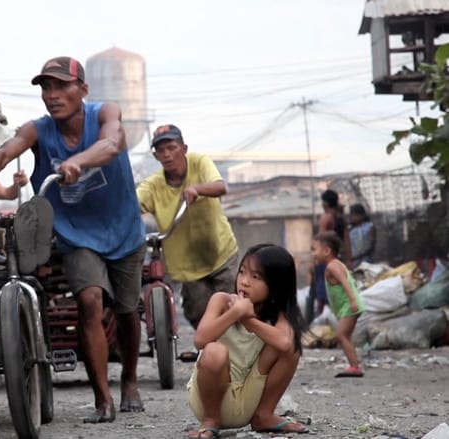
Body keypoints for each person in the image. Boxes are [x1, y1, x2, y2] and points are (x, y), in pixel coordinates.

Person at [0, 56, 146, 423]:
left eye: (62, 86)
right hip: (77, 234)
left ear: (83, 90)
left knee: (125, 310)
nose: (53, 95)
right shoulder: (39, 130)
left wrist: (80, 162)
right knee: (89, 302)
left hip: (122, 228)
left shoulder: (106, 112)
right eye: (46, 87)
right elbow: (7, 149)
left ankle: (131, 379)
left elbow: (111, 144)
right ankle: (102, 398)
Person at [137, 124, 238, 360]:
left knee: (234, 306)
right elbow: (133, 203)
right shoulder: (153, 185)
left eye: (172, 148)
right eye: (161, 151)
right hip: (188, 267)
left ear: (184, 148)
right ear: (155, 156)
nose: (167, 155)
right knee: (197, 312)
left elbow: (220, 186)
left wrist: (197, 189)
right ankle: (214, 354)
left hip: (221, 254)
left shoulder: (199, 162)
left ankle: (239, 353)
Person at [186, 244, 309, 438]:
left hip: (245, 401)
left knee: (291, 347)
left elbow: (285, 345)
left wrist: (248, 320)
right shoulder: (221, 301)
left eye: (256, 277)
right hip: (209, 399)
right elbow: (201, 340)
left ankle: (263, 415)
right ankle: (211, 420)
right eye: (242, 272)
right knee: (214, 351)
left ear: (276, 285)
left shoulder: (278, 316)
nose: (244, 281)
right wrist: (235, 313)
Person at [312, 231, 365, 378]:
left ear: (327, 251)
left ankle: (354, 366)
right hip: (348, 306)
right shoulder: (334, 265)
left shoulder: (332, 267)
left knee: (341, 335)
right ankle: (354, 364)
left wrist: (353, 301)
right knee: (345, 336)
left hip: (350, 305)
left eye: (314, 249)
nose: (313, 254)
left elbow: (345, 282)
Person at [307, 189, 347, 321]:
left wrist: (314, 262)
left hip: (324, 261)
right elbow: (347, 243)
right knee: (336, 291)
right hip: (338, 259)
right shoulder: (341, 219)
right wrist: (348, 260)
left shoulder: (326, 218)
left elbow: (319, 242)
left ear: (325, 203)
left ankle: (323, 321)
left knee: (321, 293)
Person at [348, 203, 376, 269]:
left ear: (361, 215)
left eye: (355, 215)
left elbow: (371, 247)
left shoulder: (370, 227)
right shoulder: (349, 229)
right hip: (353, 262)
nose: (352, 217)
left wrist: (358, 256)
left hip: (366, 260)